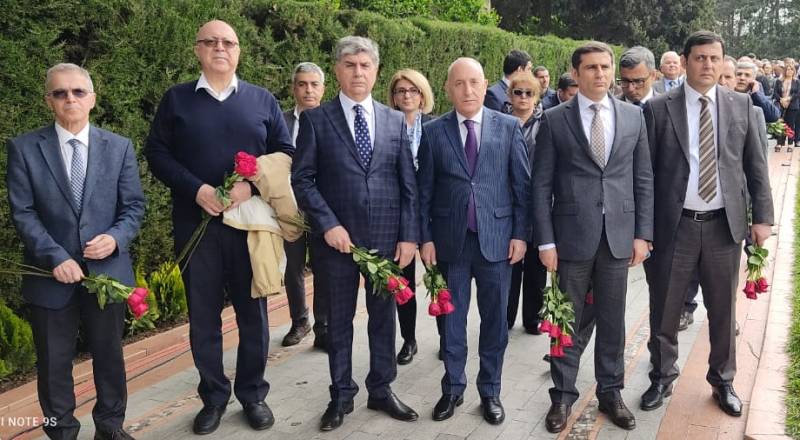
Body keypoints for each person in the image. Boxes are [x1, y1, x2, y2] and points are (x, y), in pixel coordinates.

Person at [145, 20, 294, 435]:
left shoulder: (262, 100)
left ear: (239, 50)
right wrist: (196, 190)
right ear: (197, 49)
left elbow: (285, 152)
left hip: (250, 229)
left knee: (254, 315)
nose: (220, 48)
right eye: (210, 42)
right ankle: (213, 397)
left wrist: (251, 185)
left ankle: (253, 394)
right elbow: (156, 152)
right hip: (197, 225)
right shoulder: (176, 99)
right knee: (203, 317)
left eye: (228, 42)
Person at [7, 63, 145, 440]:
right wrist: (56, 257)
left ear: (92, 99)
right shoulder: (23, 148)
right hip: (50, 278)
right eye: (60, 93)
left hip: (108, 273)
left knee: (109, 356)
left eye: (78, 92)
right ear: (48, 101)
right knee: (53, 364)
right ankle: (61, 432)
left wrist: (115, 238)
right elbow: (23, 212)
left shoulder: (119, 147)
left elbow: (133, 207)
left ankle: (110, 427)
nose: (70, 98)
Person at [291, 36, 420, 432]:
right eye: (350, 65)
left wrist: (409, 236)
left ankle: (381, 388)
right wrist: (328, 224)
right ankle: (341, 394)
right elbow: (303, 179)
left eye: (365, 65)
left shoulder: (394, 120)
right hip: (337, 242)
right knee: (339, 321)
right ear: (337, 71)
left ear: (376, 71)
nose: (358, 72)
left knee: (383, 318)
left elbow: (408, 184)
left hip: (385, 239)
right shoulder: (316, 120)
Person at [642, 31, 773, 417]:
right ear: (685, 62)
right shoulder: (659, 108)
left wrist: (762, 218)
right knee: (664, 308)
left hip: (723, 227)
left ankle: (723, 380)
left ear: (722, 61)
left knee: (722, 310)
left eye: (714, 58)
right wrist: (643, 231)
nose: (708, 65)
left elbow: (756, 167)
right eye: (700, 58)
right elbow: (645, 175)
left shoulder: (741, 105)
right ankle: (662, 376)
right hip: (674, 227)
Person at [532, 41, 654, 433]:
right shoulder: (555, 119)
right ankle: (562, 395)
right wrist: (545, 241)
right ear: (576, 72)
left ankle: (611, 392)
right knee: (566, 319)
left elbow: (643, 179)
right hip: (570, 238)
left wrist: (643, 234)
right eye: (591, 67)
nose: (600, 74)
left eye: (605, 67)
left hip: (618, 237)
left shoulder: (633, 116)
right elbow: (540, 185)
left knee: (613, 321)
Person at [418, 57, 530, 425]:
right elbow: (424, 191)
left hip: (497, 241)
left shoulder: (508, 127)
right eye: (459, 83)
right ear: (448, 89)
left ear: (486, 85)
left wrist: (520, 234)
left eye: (474, 82)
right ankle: (452, 387)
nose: (467, 90)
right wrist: (425, 238)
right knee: (451, 320)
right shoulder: (433, 132)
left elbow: (522, 187)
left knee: (495, 321)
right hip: (450, 243)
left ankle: (490, 391)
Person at [386, 68, 438, 365]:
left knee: (440, 277)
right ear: (393, 97)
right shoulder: (386, 125)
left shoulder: (436, 126)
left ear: (422, 95)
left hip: (431, 214)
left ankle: (447, 336)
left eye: (412, 90)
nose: (407, 95)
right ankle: (409, 339)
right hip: (399, 216)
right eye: (400, 91)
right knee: (402, 282)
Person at [281, 62, 328, 350]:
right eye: (302, 84)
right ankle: (300, 321)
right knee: (292, 266)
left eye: (314, 84)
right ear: (294, 88)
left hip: (323, 207)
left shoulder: (332, 120)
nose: (308, 90)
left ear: (323, 88)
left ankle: (323, 326)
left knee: (323, 267)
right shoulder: (280, 122)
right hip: (289, 207)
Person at [504, 70, 548, 334]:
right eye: (518, 92)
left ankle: (533, 318)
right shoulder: (499, 122)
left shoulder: (546, 123)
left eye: (529, 93)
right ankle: (506, 317)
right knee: (509, 262)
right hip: (507, 201)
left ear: (537, 96)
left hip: (537, 200)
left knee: (536, 264)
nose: (523, 97)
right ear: (510, 96)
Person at [485, 49, 532, 113]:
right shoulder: (493, 94)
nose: (531, 74)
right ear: (520, 69)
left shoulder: (526, 93)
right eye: (529, 69)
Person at [773, 64, 799, 152]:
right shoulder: (779, 81)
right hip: (781, 105)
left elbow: (797, 93)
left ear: (794, 71)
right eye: (787, 69)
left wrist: (788, 99)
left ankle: (790, 143)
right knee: (780, 124)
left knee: (790, 125)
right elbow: (775, 93)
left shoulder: (797, 81)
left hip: (792, 105)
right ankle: (779, 143)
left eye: (791, 69)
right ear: (785, 71)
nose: (789, 71)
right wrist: (781, 100)